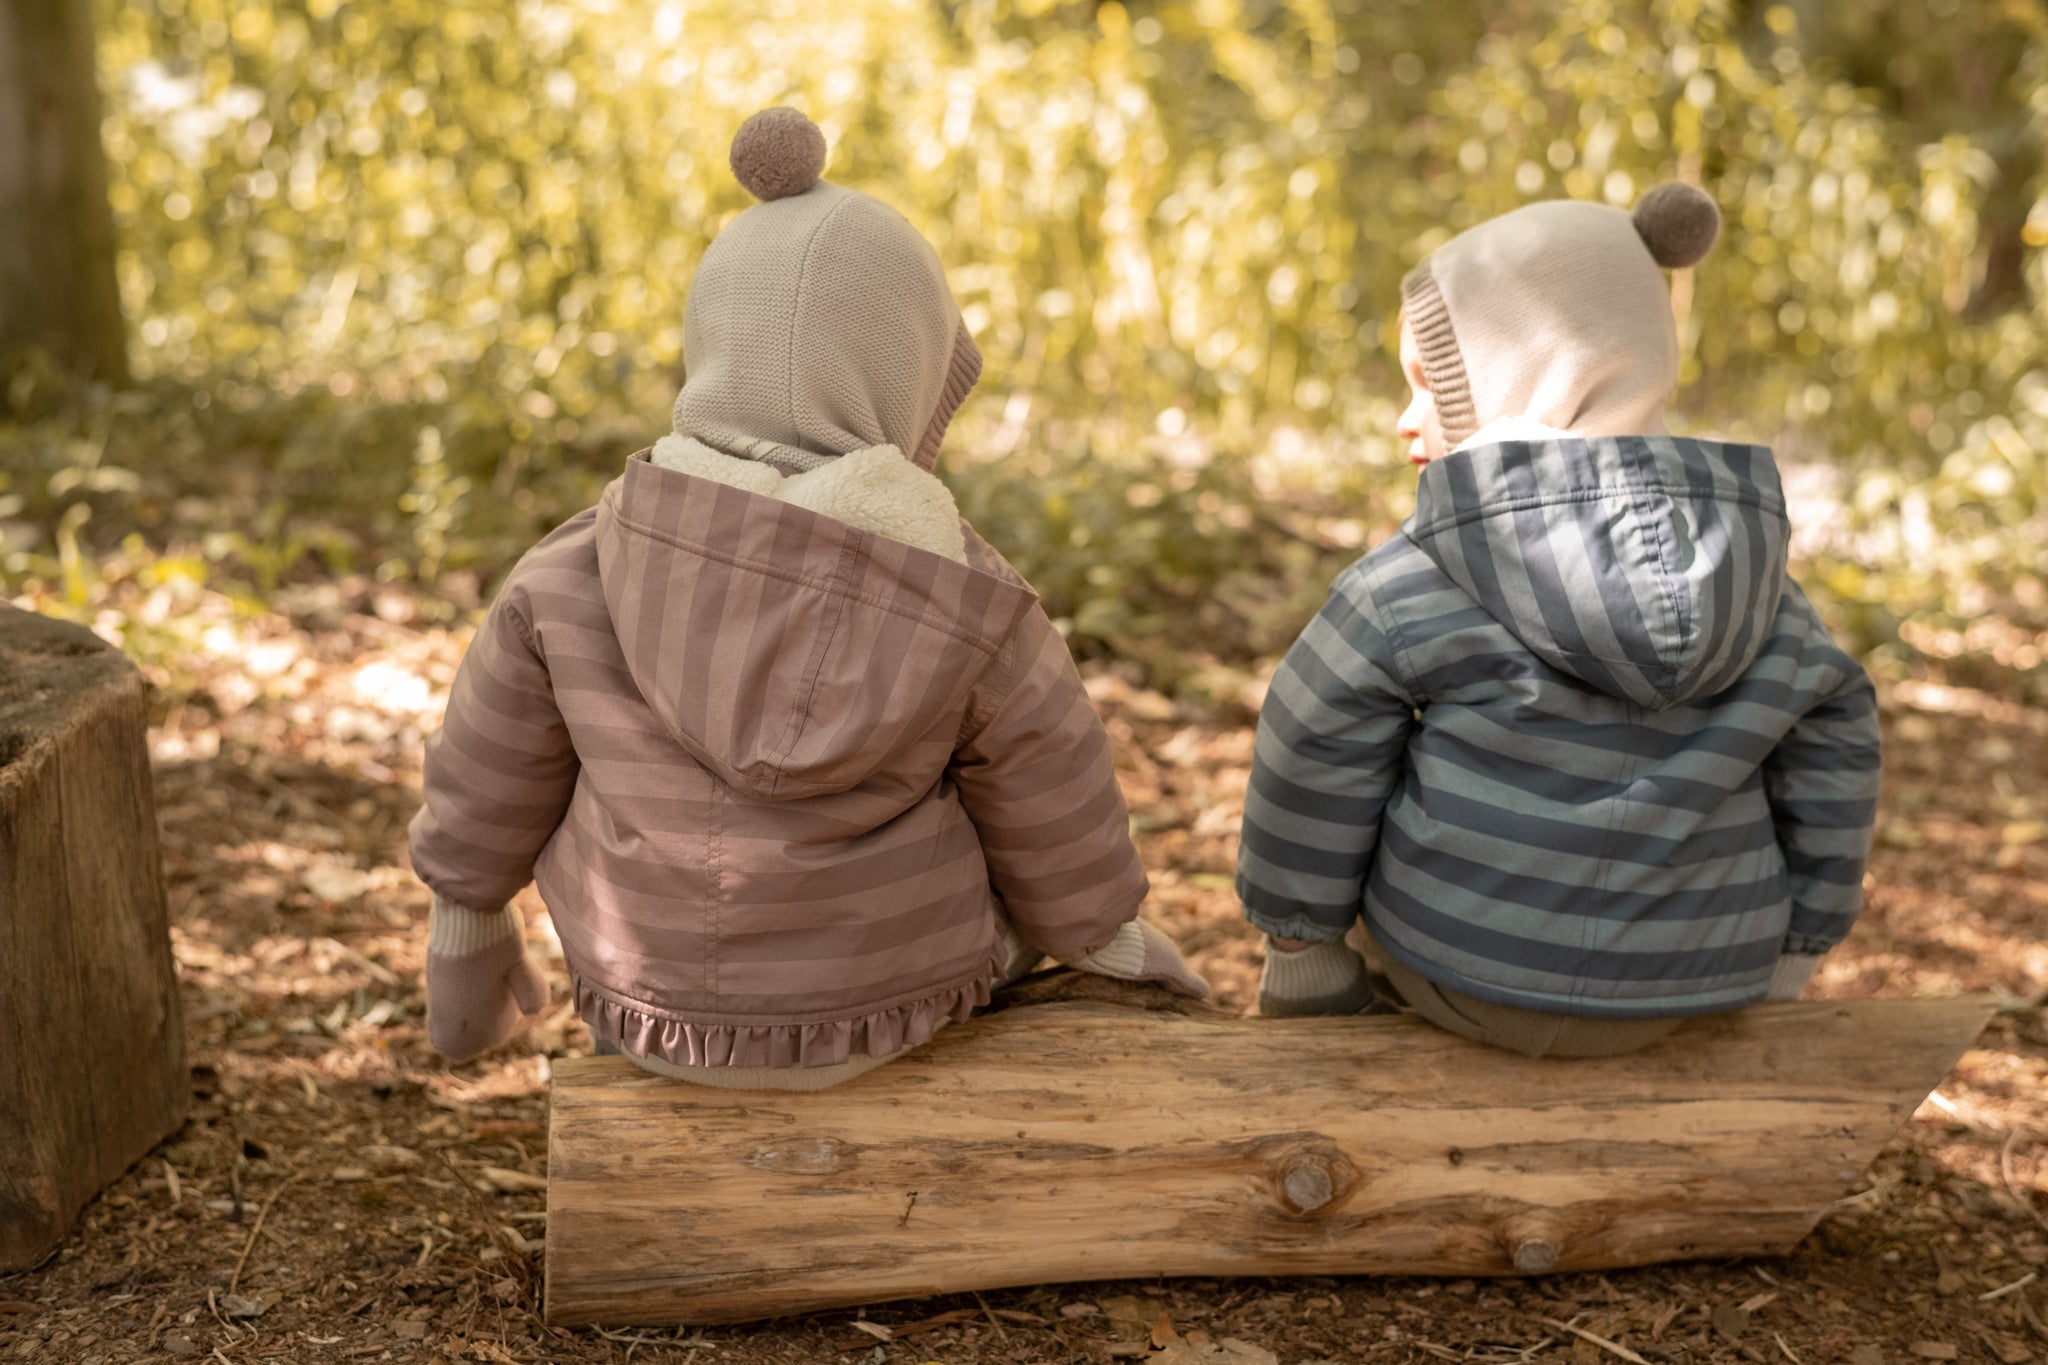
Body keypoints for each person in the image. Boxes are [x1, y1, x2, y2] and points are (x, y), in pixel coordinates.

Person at [409, 108, 1206, 1087]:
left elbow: (488, 771)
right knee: (999, 877)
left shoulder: (576, 569)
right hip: (890, 1003)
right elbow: (1049, 790)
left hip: (646, 1000)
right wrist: (1104, 934)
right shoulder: (965, 593)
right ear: (906, 385)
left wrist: (466, 932)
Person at [1237, 183, 1882, 1056]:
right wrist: (1798, 948)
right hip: (1696, 982)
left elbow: (1310, 742)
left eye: (1430, 384)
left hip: (1456, 966)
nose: (1404, 419)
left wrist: (1303, 945)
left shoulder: (1420, 572)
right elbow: (1837, 752)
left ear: (1513, 378)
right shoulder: (1760, 578)